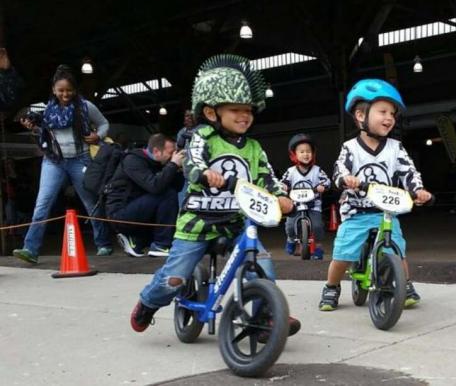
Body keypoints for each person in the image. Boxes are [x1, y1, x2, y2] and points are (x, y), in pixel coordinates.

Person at [130, 54, 301, 338]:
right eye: (235, 109)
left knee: (262, 264)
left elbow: (268, 177)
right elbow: (192, 161)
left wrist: (282, 197)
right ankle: (148, 302)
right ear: (212, 113)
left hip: (236, 222)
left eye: (248, 110)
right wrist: (204, 173)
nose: (244, 115)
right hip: (197, 222)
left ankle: (265, 313)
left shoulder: (255, 148)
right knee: (173, 278)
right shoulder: (203, 138)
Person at [318, 78, 432, 311]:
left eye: (393, 113)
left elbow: (408, 171)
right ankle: (331, 286)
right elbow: (339, 169)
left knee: (397, 250)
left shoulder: (395, 147)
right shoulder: (350, 147)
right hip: (357, 211)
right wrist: (345, 179)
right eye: (383, 111)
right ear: (361, 115)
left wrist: (417, 190)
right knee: (343, 254)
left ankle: (405, 283)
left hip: (386, 211)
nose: (389, 118)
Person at [12, 65, 113, 264]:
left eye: (68, 90)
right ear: (54, 90)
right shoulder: (47, 111)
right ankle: (30, 249)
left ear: (74, 89)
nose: (65, 94)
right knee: (43, 203)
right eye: (61, 90)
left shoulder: (86, 106)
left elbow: (104, 124)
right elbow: (45, 136)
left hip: (80, 159)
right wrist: (32, 127)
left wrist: (97, 135)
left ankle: (104, 243)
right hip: (53, 161)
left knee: (90, 202)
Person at [106, 133, 184, 258]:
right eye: (170, 153)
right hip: (120, 213)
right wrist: (172, 165)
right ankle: (161, 244)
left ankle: (135, 240)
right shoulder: (133, 160)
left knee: (169, 193)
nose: (173, 156)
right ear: (156, 151)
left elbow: (177, 187)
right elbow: (155, 187)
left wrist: (178, 169)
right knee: (166, 194)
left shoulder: (159, 163)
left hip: (140, 210)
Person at [281, 133, 331, 259]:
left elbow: (327, 181)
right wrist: (284, 186)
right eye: (302, 151)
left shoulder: (317, 170)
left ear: (313, 154)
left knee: (318, 225)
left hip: (313, 204)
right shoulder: (291, 171)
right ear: (294, 154)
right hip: (296, 204)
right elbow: (283, 182)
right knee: (290, 225)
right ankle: (291, 240)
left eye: (308, 151)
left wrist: (323, 186)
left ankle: (318, 247)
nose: (305, 154)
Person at [176, 110, 199, 206]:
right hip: (185, 171)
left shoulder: (203, 129)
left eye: (191, 116)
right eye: (187, 116)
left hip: (200, 170)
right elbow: (178, 149)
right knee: (183, 198)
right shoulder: (181, 131)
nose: (189, 118)